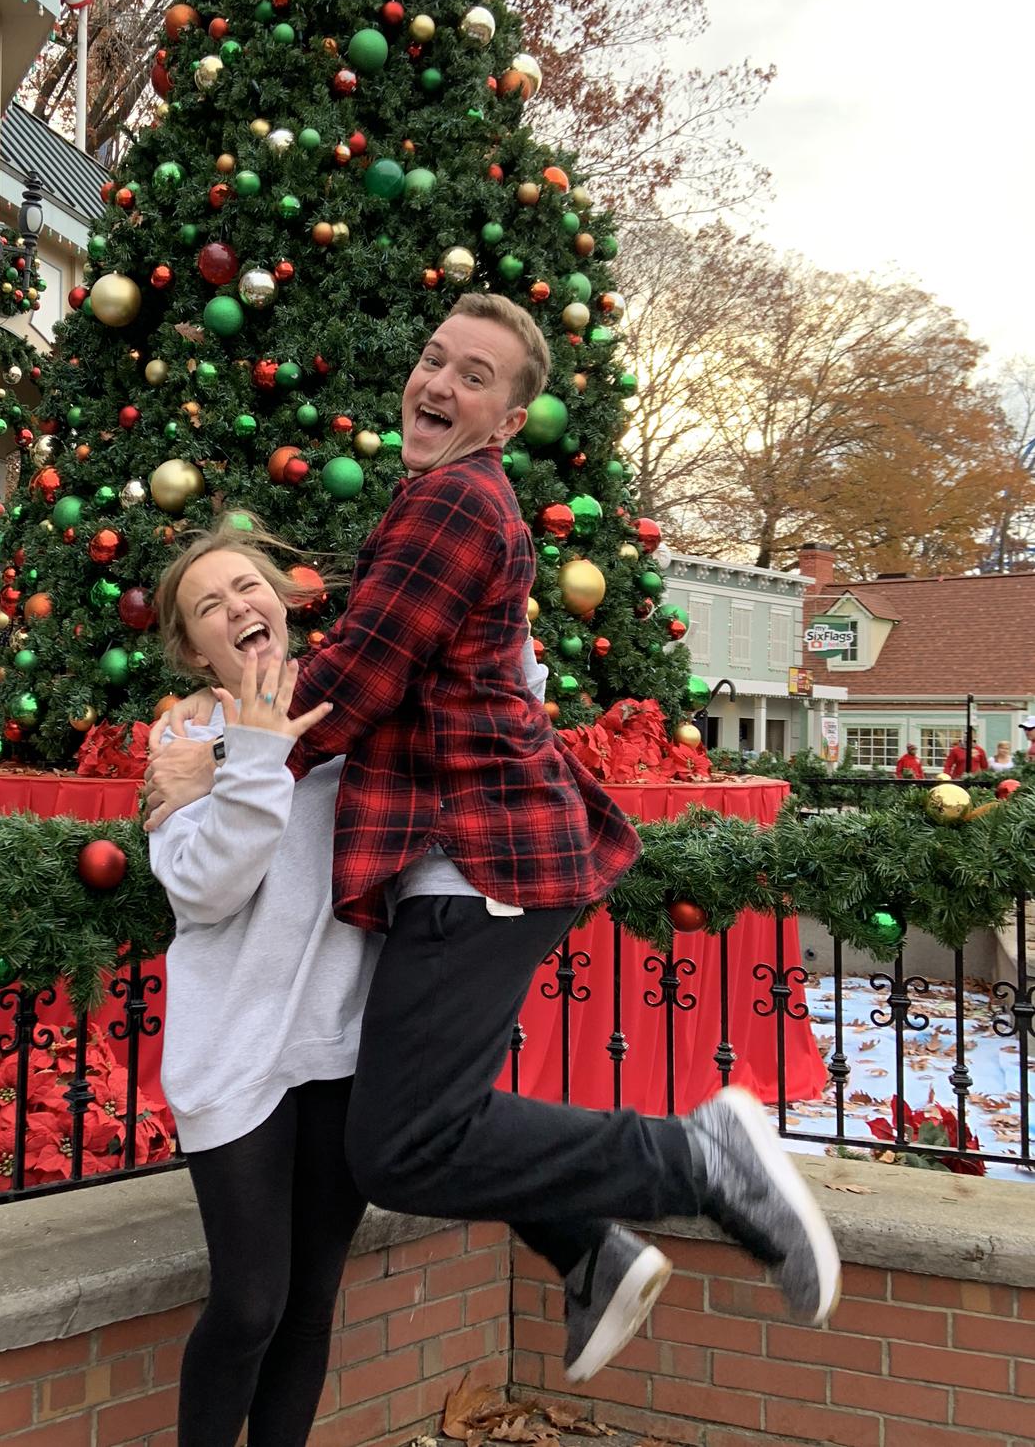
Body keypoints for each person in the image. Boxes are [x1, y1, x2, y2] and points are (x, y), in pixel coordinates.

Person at [146, 293, 841, 1382]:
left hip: (479, 857)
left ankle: (697, 1158)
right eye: (435, 359)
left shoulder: (454, 504)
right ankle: (586, 1247)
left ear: (508, 421)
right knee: (421, 1118)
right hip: (469, 859)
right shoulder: (450, 502)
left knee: (400, 1144)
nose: (440, 383)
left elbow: (357, 684)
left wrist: (224, 759)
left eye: (476, 377)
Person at [145, 522, 557, 1445]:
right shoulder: (185, 737)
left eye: (246, 586)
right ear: (192, 645)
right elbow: (206, 891)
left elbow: (503, 706)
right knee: (251, 1304)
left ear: (282, 601)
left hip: (341, 1047)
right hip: (236, 1059)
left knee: (310, 1301)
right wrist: (241, 758)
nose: (235, 608)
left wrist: (493, 601)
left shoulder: (363, 704)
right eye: (208, 606)